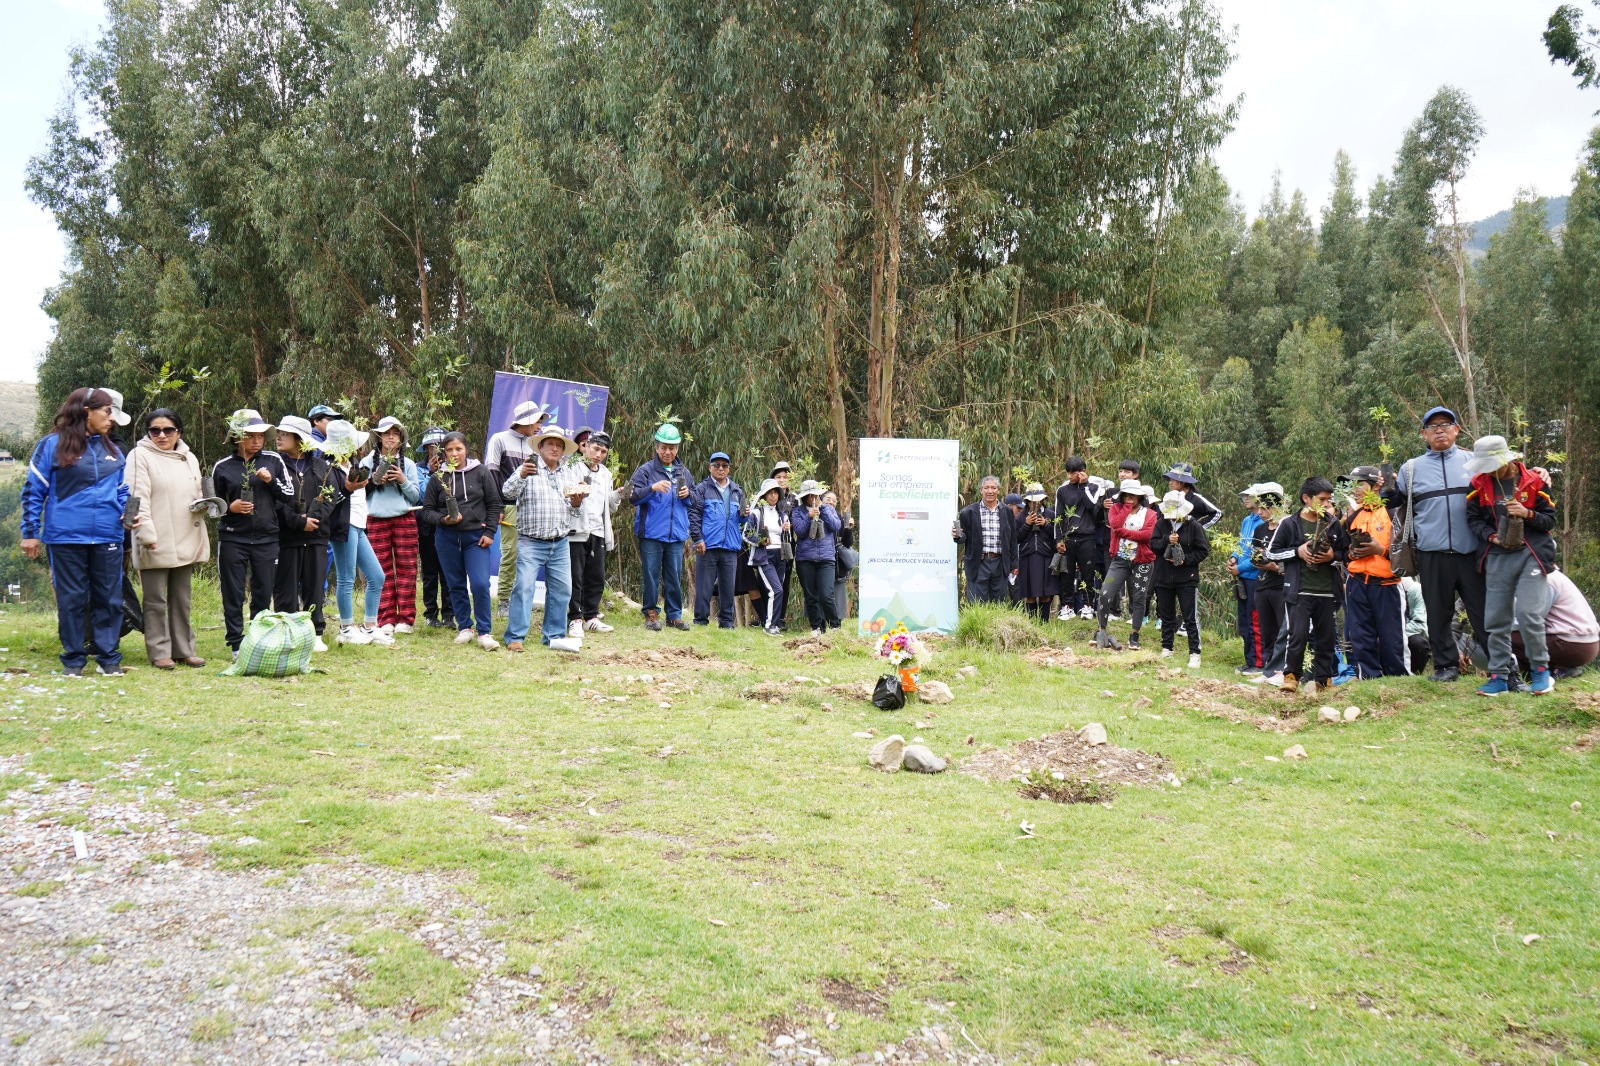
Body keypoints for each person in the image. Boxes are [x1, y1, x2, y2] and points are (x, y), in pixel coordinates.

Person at [21, 388, 139, 676]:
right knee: (71, 599)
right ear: (87, 410)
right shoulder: (51, 445)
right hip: (65, 537)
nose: (111, 418)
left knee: (109, 598)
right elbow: (33, 491)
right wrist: (30, 532)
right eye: (107, 412)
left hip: (108, 536)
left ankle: (109, 659)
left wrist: (128, 512)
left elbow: (121, 490)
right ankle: (73, 660)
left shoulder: (111, 449)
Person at [1388, 406, 1487, 682]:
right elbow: (1395, 502)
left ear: (1457, 429)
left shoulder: (1474, 462)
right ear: (1424, 434)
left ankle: (1502, 667)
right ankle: (1446, 667)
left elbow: (1505, 482)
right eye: (1432, 426)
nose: (1439, 430)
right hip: (1432, 553)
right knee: (1438, 614)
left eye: (1446, 424)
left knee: (1483, 613)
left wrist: (1540, 473)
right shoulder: (1410, 469)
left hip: (1473, 552)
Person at [1464, 435, 1558, 696]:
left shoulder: (1535, 481)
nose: (1487, 470)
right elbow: (1473, 520)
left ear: (1506, 459)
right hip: (1497, 554)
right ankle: (1499, 677)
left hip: (1532, 555)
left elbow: (1550, 520)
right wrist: (1492, 536)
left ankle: (1541, 671)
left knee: (1529, 615)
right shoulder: (1478, 484)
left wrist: (1527, 514)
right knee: (1495, 619)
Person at [124, 407, 209, 669]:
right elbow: (135, 498)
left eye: (168, 430)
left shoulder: (189, 457)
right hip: (155, 536)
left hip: (186, 533)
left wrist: (206, 503)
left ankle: (184, 648)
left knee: (182, 598)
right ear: (148, 433)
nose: (162, 435)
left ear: (178, 432)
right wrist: (144, 533)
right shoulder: (139, 456)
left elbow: (196, 491)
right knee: (155, 599)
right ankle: (159, 651)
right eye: (155, 430)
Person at [212, 409, 295, 658]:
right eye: (250, 436)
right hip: (232, 538)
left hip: (267, 537)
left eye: (260, 436)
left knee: (262, 591)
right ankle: (237, 643)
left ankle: (258, 640)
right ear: (237, 438)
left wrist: (270, 481)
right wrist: (230, 508)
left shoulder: (273, 460)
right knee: (233, 592)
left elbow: (289, 495)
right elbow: (212, 506)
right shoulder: (223, 467)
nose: (257, 441)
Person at [500, 425, 585, 653]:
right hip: (531, 541)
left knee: (562, 590)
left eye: (559, 445)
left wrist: (577, 503)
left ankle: (554, 637)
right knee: (524, 588)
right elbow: (507, 493)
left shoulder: (569, 473)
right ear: (540, 447)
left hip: (560, 542)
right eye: (550, 444)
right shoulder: (527, 468)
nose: (555, 449)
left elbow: (573, 510)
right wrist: (521, 474)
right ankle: (515, 637)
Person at [1266, 477, 1349, 696]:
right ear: (1306, 498)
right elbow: (1271, 553)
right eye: (1321, 499)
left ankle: (1323, 680)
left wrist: (1331, 556)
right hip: (1298, 590)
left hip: (1327, 591)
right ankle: (1291, 677)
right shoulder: (1289, 523)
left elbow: (1345, 554)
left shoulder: (1333, 524)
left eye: (1328, 500)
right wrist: (1297, 551)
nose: (1326, 504)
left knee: (1326, 638)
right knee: (1298, 635)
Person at [421, 431, 503, 649]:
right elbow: (427, 511)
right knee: (455, 584)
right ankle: (465, 627)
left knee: (479, 583)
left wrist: (490, 532)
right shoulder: (438, 477)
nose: (454, 453)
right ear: (444, 453)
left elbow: (495, 505)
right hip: (446, 538)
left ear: (466, 450)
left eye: (459, 449)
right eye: (449, 450)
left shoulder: (481, 472)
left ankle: (484, 632)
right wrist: (443, 520)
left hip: (476, 537)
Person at [273, 415, 339, 651]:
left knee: (314, 584)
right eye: (278, 433)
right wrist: (297, 521)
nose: (278, 437)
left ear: (300, 439)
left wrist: (315, 520)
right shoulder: (274, 463)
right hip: (287, 536)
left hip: (316, 536)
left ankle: (315, 632)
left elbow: (331, 496)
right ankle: (285, 631)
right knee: (286, 586)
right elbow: (274, 500)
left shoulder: (321, 465)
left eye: (285, 433)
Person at [1339, 466, 1406, 679]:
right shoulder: (1352, 516)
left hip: (1386, 585)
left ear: (1377, 485)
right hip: (1357, 583)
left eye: (1360, 484)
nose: (1354, 490)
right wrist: (1351, 554)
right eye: (1352, 485)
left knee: (1391, 636)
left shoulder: (1393, 512)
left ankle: (1396, 678)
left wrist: (1381, 550)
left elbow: (1408, 552)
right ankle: (1368, 677)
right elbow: (1341, 550)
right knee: (1360, 635)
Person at [486, 400, 549, 611]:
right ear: (526, 420)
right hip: (509, 505)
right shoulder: (500, 439)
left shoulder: (536, 444)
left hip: (533, 507)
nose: (540, 425)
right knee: (510, 554)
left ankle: (522, 599)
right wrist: (497, 507)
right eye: (537, 421)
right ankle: (504, 600)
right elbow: (492, 473)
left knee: (529, 556)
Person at [362, 417, 421, 635]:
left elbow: (415, 497)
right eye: (386, 433)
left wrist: (402, 479)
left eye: (395, 433)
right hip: (375, 520)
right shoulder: (367, 462)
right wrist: (375, 480)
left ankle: (405, 619)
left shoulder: (410, 464)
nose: (390, 437)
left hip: (404, 519)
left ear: (401, 438)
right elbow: (359, 493)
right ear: (378, 437)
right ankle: (385, 618)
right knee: (380, 571)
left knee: (407, 569)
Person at [630, 423, 693, 631]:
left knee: (674, 576)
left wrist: (689, 495)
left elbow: (695, 502)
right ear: (656, 447)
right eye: (664, 447)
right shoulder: (646, 470)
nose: (668, 452)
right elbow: (631, 496)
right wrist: (652, 488)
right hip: (651, 533)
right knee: (650, 574)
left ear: (678, 448)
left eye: (672, 448)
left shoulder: (684, 472)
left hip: (676, 535)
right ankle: (651, 613)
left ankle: (674, 615)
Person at [567, 430, 619, 636]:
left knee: (596, 576)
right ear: (586, 446)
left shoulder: (606, 473)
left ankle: (591, 617)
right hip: (577, 529)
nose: (598, 454)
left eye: (603, 451)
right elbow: (567, 496)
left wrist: (619, 494)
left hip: (598, 530)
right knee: (575, 577)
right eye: (595, 448)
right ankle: (574, 618)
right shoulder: (573, 467)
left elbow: (610, 505)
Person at [1095, 481, 1156, 650]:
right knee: (1105, 593)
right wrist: (1126, 508)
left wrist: (1124, 533)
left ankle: (1134, 634)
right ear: (1121, 495)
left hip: (1142, 561)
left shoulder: (1150, 514)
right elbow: (1115, 524)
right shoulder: (1115, 509)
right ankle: (1101, 630)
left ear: (1140, 496)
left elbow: (1147, 536)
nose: (1130, 497)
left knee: (1139, 598)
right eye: (1126, 494)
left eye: (1133, 494)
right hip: (1120, 560)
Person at [1151, 490, 1209, 668]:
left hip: (1187, 578)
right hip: (1163, 576)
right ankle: (1167, 647)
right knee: (1166, 615)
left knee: (1190, 616)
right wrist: (1166, 539)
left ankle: (1195, 652)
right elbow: (1153, 545)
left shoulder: (1194, 526)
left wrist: (1185, 560)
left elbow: (1203, 551)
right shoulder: (1161, 524)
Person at [689, 451, 746, 628]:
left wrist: (746, 516)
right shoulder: (702, 489)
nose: (720, 468)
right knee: (704, 587)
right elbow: (693, 514)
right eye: (716, 465)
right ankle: (700, 621)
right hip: (708, 545)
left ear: (729, 468)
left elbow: (742, 520)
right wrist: (698, 539)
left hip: (730, 546)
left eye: (724, 465)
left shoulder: (737, 491)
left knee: (728, 588)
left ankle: (727, 623)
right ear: (710, 467)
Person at [1227, 483, 1276, 674]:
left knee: (1256, 621)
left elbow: (1260, 556)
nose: (1245, 499)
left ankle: (1259, 663)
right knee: (1245, 620)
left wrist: (1240, 568)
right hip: (1243, 577)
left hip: (1256, 577)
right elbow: (1241, 545)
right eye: (1244, 496)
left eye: (1249, 496)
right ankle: (1250, 660)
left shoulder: (1265, 523)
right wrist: (1233, 557)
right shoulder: (1247, 520)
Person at [414, 427, 456, 629]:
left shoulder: (455, 469)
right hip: (427, 528)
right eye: (433, 447)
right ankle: (431, 614)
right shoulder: (417, 468)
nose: (437, 451)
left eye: (441, 447)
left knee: (448, 572)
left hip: (450, 527)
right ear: (426, 448)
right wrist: (431, 473)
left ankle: (450, 615)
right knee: (429, 573)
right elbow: (420, 496)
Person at [953, 475, 1017, 605]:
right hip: (978, 562)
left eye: (993, 488)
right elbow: (963, 538)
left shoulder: (1007, 511)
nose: (990, 491)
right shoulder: (968, 512)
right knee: (977, 603)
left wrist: (1014, 563)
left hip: (1000, 562)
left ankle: (996, 625)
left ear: (998, 490)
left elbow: (1012, 539)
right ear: (981, 490)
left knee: (999, 603)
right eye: (986, 488)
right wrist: (957, 535)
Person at [790, 479, 843, 635]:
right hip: (805, 559)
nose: (813, 497)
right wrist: (808, 516)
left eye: (816, 494)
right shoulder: (798, 511)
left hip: (826, 558)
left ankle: (835, 626)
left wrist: (823, 510)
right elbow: (799, 532)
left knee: (827, 595)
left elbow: (836, 526)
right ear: (804, 496)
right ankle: (816, 627)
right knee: (811, 596)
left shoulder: (828, 509)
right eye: (809, 495)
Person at [1053, 457, 1102, 619]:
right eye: (1068, 473)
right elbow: (1058, 515)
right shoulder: (1062, 490)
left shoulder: (1094, 487)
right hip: (1068, 538)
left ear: (1082, 472)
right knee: (1066, 574)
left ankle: (1088, 605)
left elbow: (1093, 508)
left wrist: (1083, 486)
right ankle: (1067, 606)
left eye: (1073, 473)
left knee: (1088, 573)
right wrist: (1058, 539)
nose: (1069, 476)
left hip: (1087, 537)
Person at [1528, 570, 1599, 677]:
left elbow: (1531, 619)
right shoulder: (1555, 576)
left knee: (1505, 637)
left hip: (1570, 644)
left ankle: (1552, 669)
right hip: (1588, 643)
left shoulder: (1544, 578)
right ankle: (1557, 669)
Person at [1251, 493, 1290, 685]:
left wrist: (1276, 567)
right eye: (1259, 508)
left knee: (1283, 630)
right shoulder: (1259, 529)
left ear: (1276, 509)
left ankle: (1282, 670)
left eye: (1264, 509)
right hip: (1262, 584)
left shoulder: (1287, 528)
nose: (1260, 512)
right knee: (1267, 632)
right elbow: (1256, 552)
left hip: (1281, 586)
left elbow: (1289, 556)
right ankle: (1268, 669)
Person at [745, 479, 788, 635]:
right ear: (764, 494)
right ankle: (769, 625)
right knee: (775, 590)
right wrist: (761, 540)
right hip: (764, 556)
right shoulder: (757, 513)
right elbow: (746, 535)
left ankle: (774, 625)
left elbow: (786, 538)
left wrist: (787, 529)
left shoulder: (782, 514)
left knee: (779, 590)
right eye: (770, 493)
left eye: (776, 492)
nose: (773, 496)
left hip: (780, 556)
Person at [1014, 482, 1058, 624]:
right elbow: (1015, 538)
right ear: (1027, 501)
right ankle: (1033, 623)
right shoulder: (1020, 517)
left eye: (1038, 501)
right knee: (1029, 593)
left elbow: (1058, 536)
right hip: (1027, 557)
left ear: (1043, 500)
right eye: (1032, 501)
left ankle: (1044, 623)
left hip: (1046, 557)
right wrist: (1027, 524)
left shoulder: (1051, 514)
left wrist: (1045, 524)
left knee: (1046, 593)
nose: (1035, 504)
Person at [768, 461, 799, 627]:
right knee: (768, 581)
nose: (781, 480)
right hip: (767, 545)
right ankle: (766, 616)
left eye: (785, 477)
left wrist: (790, 525)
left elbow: (799, 521)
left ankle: (780, 618)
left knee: (783, 582)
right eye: (778, 476)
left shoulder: (795, 499)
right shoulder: (767, 496)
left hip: (787, 544)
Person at [824, 490, 856, 623]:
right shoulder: (816, 515)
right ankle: (820, 625)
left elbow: (847, 543)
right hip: (819, 560)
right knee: (823, 593)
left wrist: (848, 529)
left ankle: (836, 624)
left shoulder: (839, 517)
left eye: (834, 500)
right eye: (828, 499)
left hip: (835, 562)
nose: (831, 502)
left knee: (836, 594)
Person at [1163, 463, 1222, 529]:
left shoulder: (1195, 499)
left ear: (1183, 482)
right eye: (1170, 480)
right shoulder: (1169, 498)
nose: (1170, 483)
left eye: (1173, 480)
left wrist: (1198, 528)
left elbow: (1218, 513)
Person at [1400, 575, 1430, 675]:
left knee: (1418, 643)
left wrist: (1398, 633)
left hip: (1410, 632)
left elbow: (1420, 624)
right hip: (1390, 633)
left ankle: (1415, 672)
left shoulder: (1416, 590)